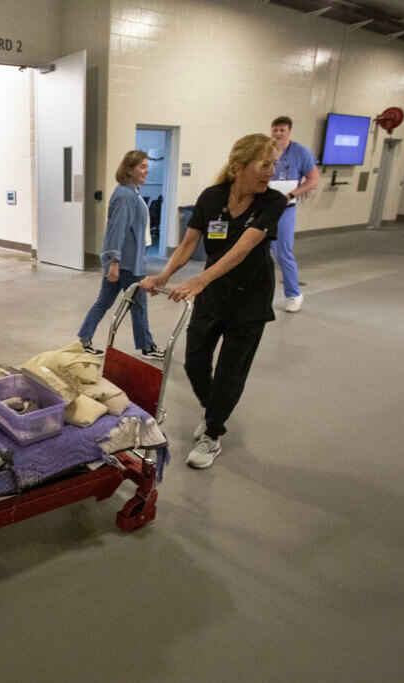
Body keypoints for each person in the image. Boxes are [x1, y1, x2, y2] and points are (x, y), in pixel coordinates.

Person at [142, 134, 287, 469]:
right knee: (194, 362)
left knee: (230, 372)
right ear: (239, 167)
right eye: (264, 164)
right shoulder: (212, 197)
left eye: (274, 164)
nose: (271, 171)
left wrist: (201, 279)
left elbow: (243, 249)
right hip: (213, 297)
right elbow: (188, 244)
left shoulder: (273, 202)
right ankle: (213, 413)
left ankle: (212, 433)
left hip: (250, 300)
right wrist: (165, 275)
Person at [77, 150, 165, 360]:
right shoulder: (125, 196)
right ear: (129, 170)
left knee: (104, 302)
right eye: (142, 167)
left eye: (146, 166)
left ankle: (84, 340)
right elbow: (117, 231)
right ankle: (147, 347)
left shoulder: (131, 192)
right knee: (139, 306)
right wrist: (114, 262)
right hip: (127, 263)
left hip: (127, 261)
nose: (146, 170)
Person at [269, 115, 319, 313]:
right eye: (275, 130)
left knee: (283, 252)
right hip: (264, 207)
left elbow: (313, 179)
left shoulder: (300, 152)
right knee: (255, 251)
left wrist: (291, 194)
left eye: (282, 130)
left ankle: (293, 294)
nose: (278, 133)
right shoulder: (265, 149)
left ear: (289, 131)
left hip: (285, 208)